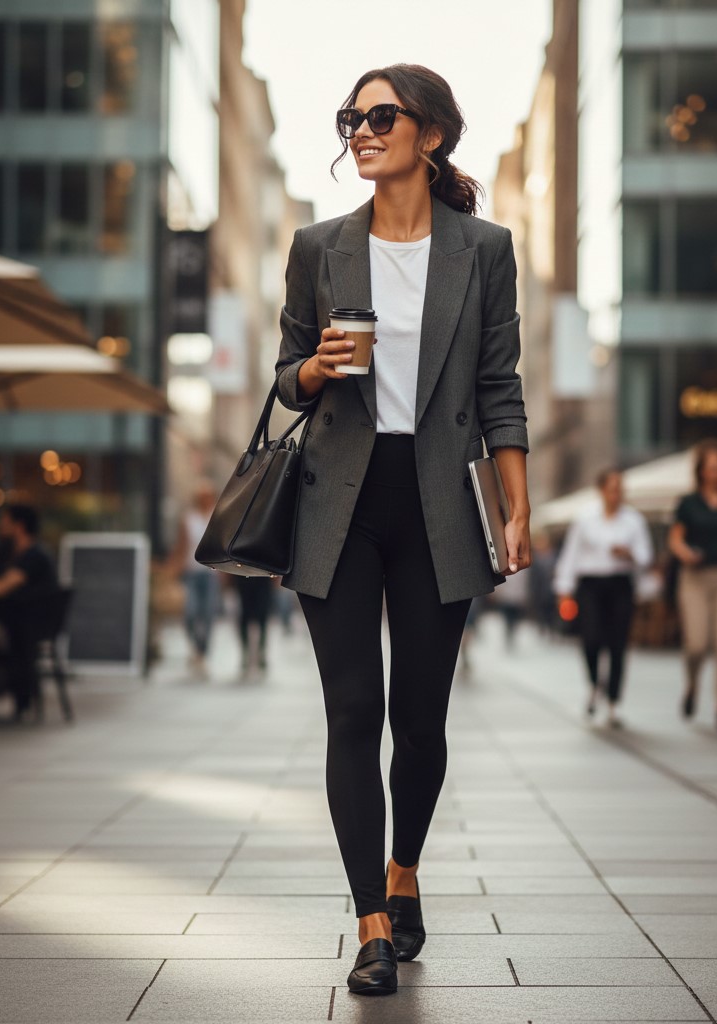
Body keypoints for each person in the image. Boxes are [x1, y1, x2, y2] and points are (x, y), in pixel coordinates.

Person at [274, 64, 530, 996]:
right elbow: (283, 373)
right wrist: (314, 371)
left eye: (381, 116)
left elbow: (499, 385)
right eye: (352, 117)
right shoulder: (318, 244)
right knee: (352, 713)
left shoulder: (485, 248)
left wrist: (518, 503)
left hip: (441, 501)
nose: (362, 130)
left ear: (430, 134)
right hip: (339, 495)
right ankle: (370, 926)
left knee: (419, 722)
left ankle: (405, 868)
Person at [553, 469, 653, 728]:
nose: (616, 494)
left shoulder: (634, 520)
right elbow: (571, 555)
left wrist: (629, 554)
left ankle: (614, 702)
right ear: (601, 490)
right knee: (591, 637)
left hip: (620, 584)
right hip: (590, 585)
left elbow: (646, 557)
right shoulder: (585, 518)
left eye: (619, 488)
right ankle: (595, 682)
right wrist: (564, 588)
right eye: (611, 488)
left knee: (618, 643)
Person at [669, 440, 717, 730]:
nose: (714, 472)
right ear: (701, 471)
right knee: (696, 645)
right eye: (709, 467)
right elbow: (675, 538)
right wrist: (685, 553)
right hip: (694, 579)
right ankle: (692, 685)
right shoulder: (688, 503)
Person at [0, 504, 58, 718]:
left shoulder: (34, 555)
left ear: (19, 526)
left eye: (4, 520)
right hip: (15, 622)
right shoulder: (7, 553)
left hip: (29, 625)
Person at [171, 484, 219, 677]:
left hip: (210, 574)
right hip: (190, 572)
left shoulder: (218, 518)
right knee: (190, 612)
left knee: (207, 614)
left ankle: (201, 653)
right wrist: (172, 569)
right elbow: (180, 546)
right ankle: (195, 646)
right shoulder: (188, 519)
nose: (205, 499)